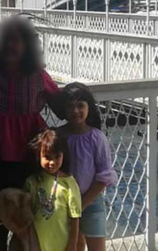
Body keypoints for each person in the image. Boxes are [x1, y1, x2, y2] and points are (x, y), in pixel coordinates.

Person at [0, 15, 63, 250]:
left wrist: (87, 126)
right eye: (7, 40)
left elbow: (61, 107)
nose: (11, 45)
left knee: (28, 220)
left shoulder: (38, 76)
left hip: (30, 156)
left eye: (17, 40)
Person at [58, 83, 117, 251]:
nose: (75, 111)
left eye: (80, 105)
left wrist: (81, 204)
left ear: (89, 107)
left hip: (91, 202)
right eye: (70, 106)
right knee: (73, 246)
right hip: (63, 204)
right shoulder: (58, 135)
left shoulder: (96, 138)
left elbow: (104, 176)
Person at [24, 129, 81, 251]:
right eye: (47, 157)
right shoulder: (31, 182)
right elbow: (27, 215)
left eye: (57, 157)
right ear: (38, 155)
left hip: (62, 242)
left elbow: (75, 217)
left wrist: (72, 244)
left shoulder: (69, 182)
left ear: (63, 155)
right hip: (37, 241)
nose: (52, 162)